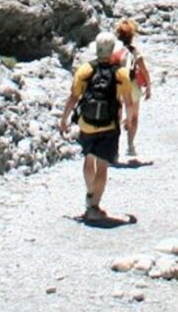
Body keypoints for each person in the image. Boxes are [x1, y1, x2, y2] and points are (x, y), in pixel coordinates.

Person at [57, 32, 136, 223]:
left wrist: (64, 119)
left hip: (87, 123)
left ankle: (89, 194)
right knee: (102, 165)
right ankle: (95, 206)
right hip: (109, 125)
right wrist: (129, 119)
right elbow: (128, 101)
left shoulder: (85, 70)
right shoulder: (120, 74)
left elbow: (74, 97)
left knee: (89, 158)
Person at [116, 18, 152, 161]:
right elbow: (144, 70)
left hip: (117, 85)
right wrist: (149, 86)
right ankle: (130, 145)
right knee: (134, 116)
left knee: (116, 117)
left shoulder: (114, 51)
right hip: (132, 85)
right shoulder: (134, 51)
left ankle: (115, 148)